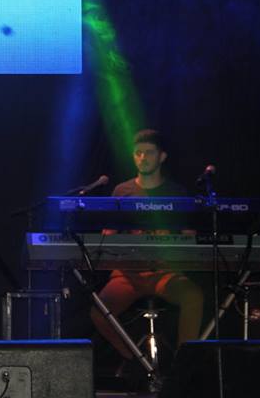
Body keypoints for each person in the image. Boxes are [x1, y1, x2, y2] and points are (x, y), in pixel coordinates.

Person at [90, 129, 204, 371]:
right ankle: (135, 360)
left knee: (193, 298)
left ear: (162, 157)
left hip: (165, 272)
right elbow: (108, 236)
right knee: (99, 311)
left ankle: (182, 367)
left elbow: (189, 238)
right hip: (127, 274)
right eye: (138, 153)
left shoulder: (176, 193)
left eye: (149, 153)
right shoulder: (122, 191)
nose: (142, 158)